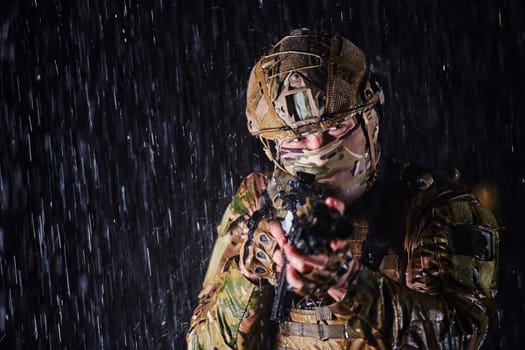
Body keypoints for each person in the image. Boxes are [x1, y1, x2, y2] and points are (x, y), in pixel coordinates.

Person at [186, 29, 499, 350]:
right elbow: (202, 344)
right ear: (273, 148)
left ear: (370, 118)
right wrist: (249, 274)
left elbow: (458, 339)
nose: (317, 148)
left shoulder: (435, 207)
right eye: (296, 139)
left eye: (335, 127)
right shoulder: (257, 200)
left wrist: (349, 284)